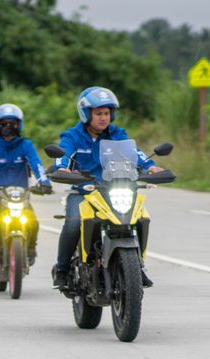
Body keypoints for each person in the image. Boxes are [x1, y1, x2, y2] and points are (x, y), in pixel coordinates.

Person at [52, 87, 163, 289]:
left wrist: (150, 166)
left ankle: (136, 268)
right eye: (98, 113)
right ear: (86, 114)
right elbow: (63, 156)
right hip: (84, 192)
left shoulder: (117, 134)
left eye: (106, 113)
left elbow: (134, 153)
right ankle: (62, 269)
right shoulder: (72, 136)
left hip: (114, 190)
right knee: (73, 223)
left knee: (140, 217)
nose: (104, 118)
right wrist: (62, 169)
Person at [0, 103, 51, 264]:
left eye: (13, 123)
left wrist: (45, 182)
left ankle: (30, 248)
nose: (9, 127)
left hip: (21, 197)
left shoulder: (26, 145)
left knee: (33, 223)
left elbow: (37, 165)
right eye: (4, 124)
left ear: (19, 125)